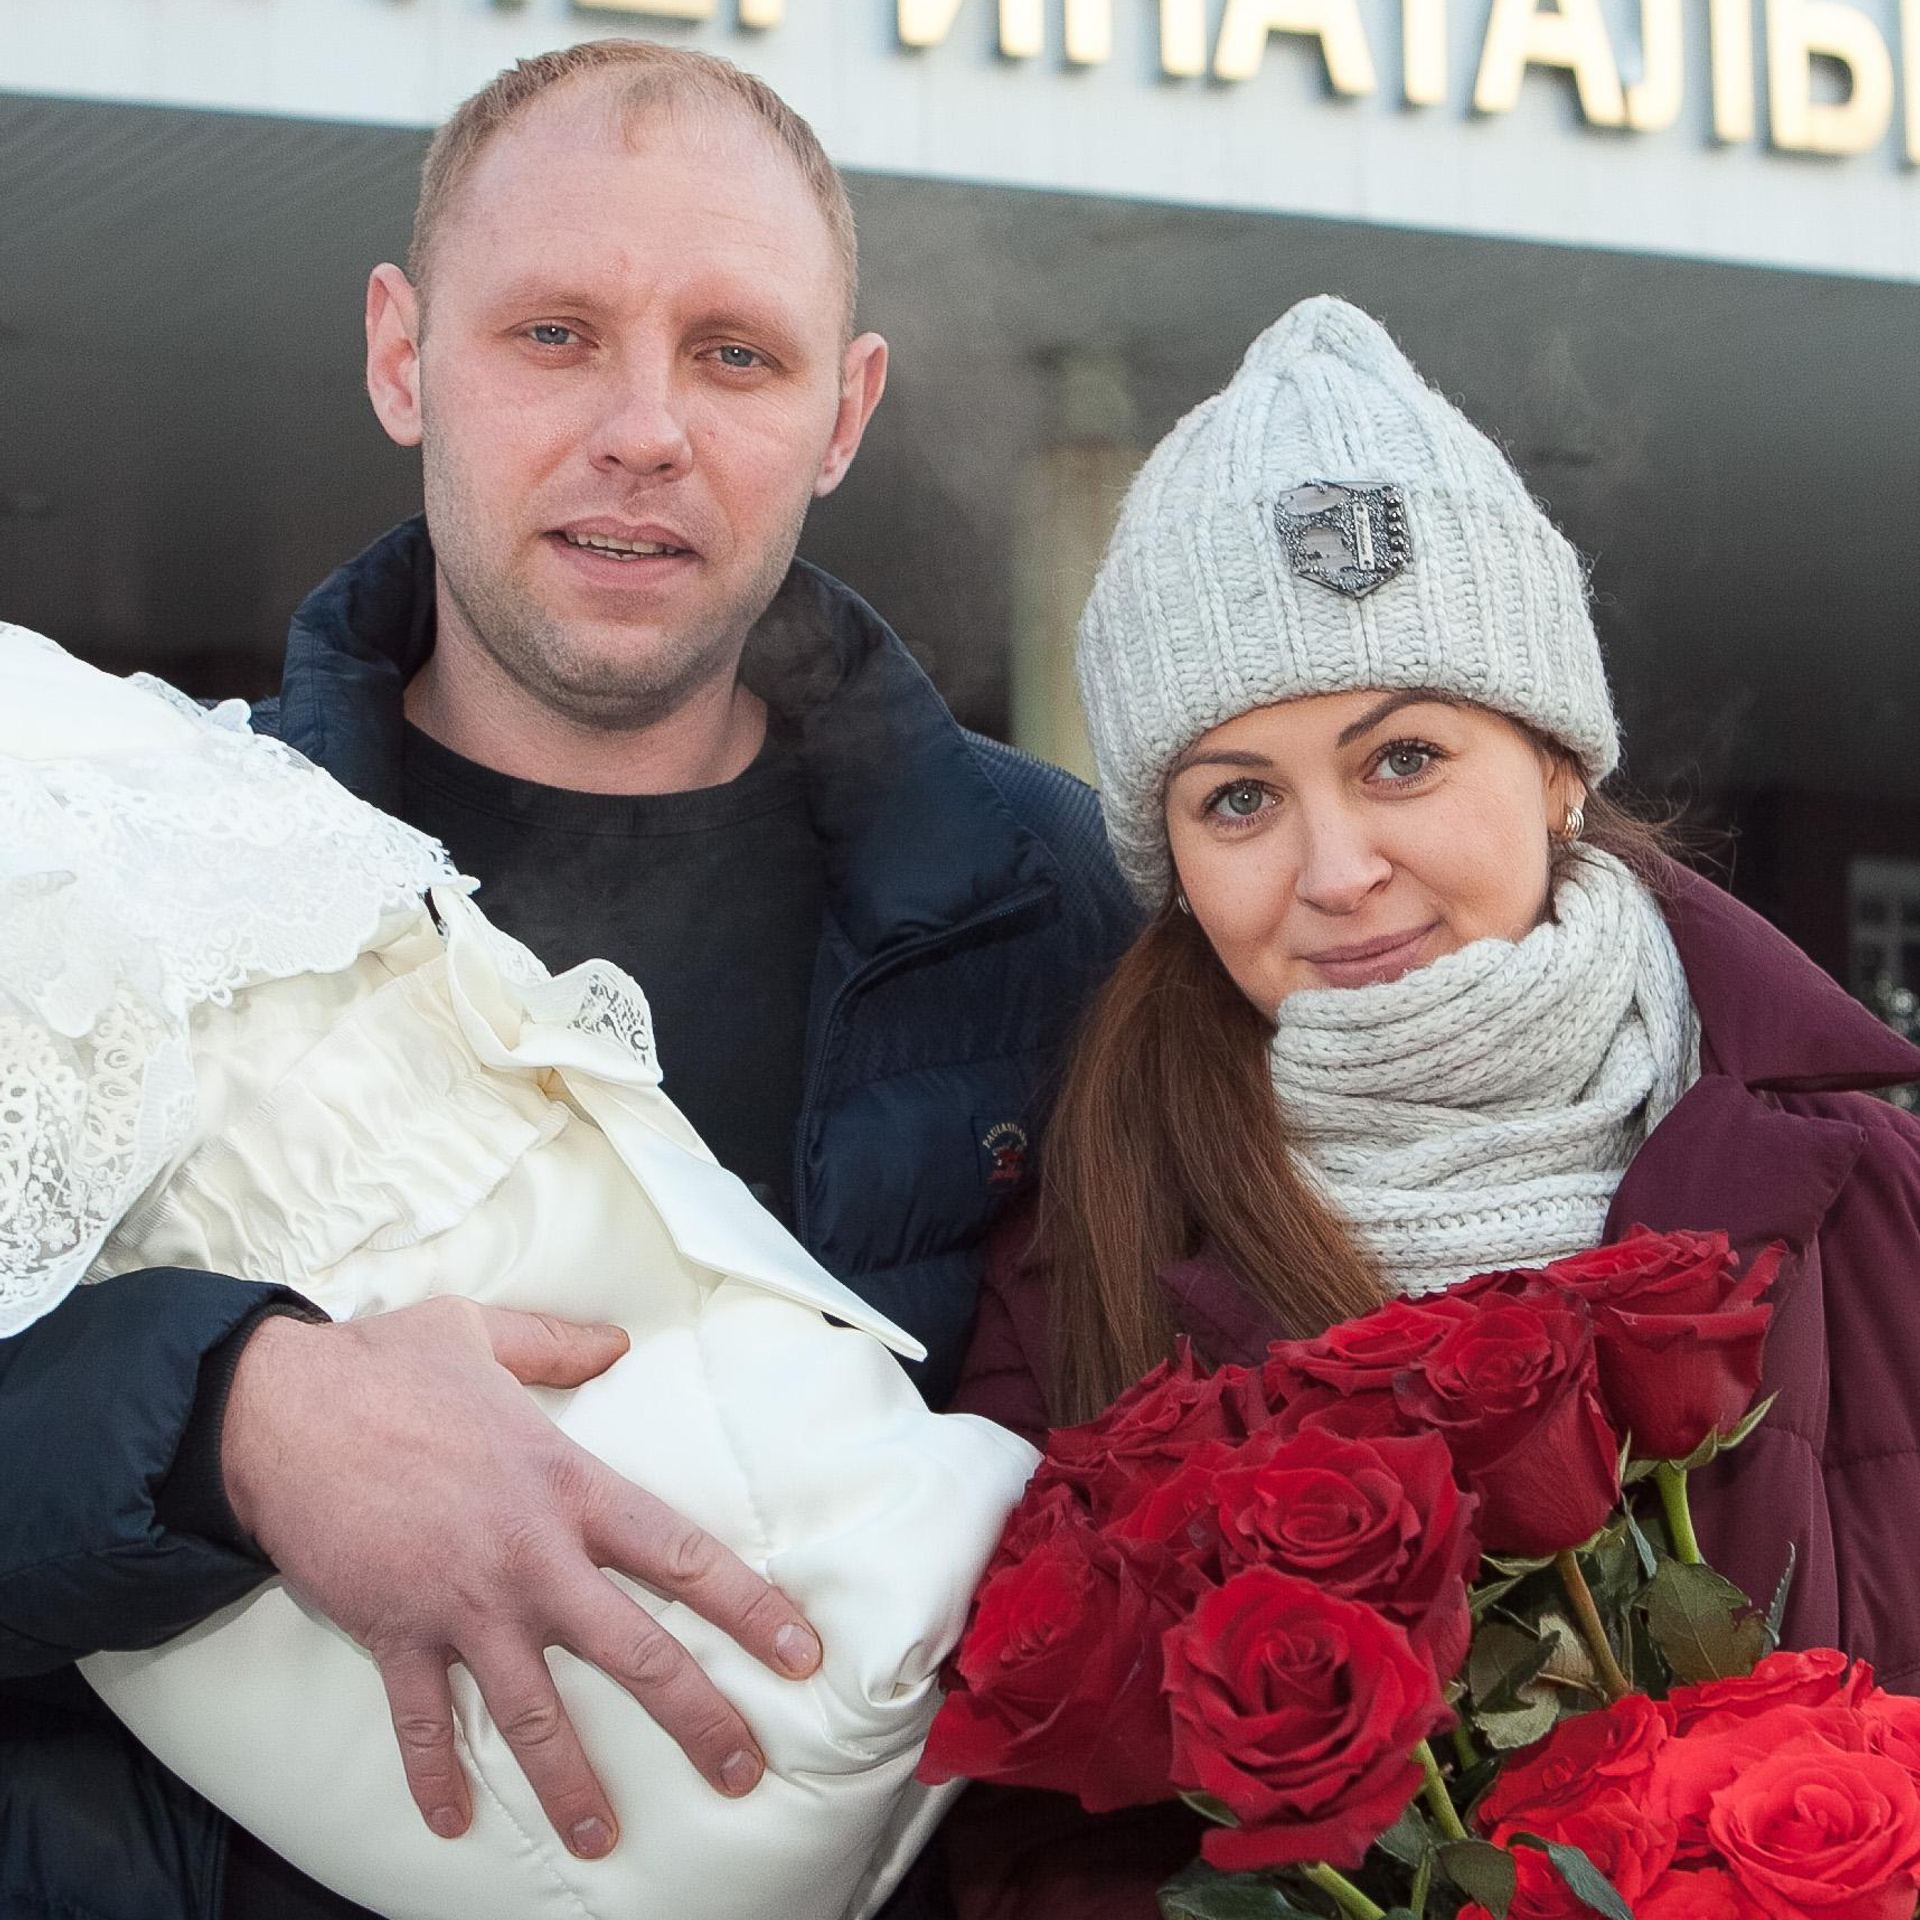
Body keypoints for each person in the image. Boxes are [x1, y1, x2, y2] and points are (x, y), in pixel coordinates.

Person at [0, 40, 1134, 1920]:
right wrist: (230, 1427)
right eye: (551, 334)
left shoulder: (1064, 917)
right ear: (397, 352)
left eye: (734, 353)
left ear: (843, 412)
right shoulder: (114, 869)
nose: (644, 428)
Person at [948, 295, 1920, 1919]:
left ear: (1554, 765)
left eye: (1401, 758)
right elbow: (1032, 1849)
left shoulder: (1872, 1183)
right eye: (1240, 798)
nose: (1337, 872)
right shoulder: (1079, 1256)